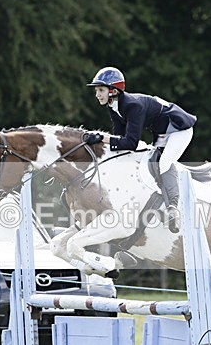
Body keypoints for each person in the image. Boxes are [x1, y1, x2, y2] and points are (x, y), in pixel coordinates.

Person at [84, 66, 196, 232]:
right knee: (150, 162)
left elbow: (131, 143)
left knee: (163, 163)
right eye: (96, 91)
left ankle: (173, 208)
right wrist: (102, 143)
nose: (97, 94)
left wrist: (101, 138)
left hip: (179, 130)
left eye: (101, 90)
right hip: (162, 133)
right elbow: (119, 138)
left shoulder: (132, 106)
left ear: (113, 91)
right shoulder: (113, 106)